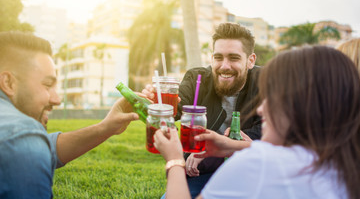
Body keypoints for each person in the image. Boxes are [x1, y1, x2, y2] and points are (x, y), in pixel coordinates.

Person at [154, 46, 360, 199]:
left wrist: (174, 160)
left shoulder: (261, 162)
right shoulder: (346, 163)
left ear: (299, 104)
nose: (261, 109)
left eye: (270, 97)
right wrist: (234, 146)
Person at [0, 31, 139, 198]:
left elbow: (44, 148)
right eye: (47, 85)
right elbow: (25, 142)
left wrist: (106, 128)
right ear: (8, 82)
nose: (57, 99)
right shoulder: (21, 137)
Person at [143, 23, 261, 198]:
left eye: (234, 58)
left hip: (249, 174)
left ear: (250, 61)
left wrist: (218, 145)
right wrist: (157, 103)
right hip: (202, 172)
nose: (225, 66)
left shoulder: (266, 81)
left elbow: (266, 132)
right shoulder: (196, 78)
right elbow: (176, 109)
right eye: (218, 57)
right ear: (211, 58)